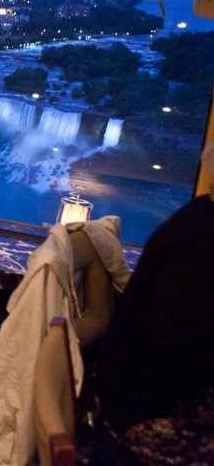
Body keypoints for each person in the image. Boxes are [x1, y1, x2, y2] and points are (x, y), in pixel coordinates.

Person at [93, 143, 214, 463]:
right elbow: (176, 348)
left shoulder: (199, 214)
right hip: (144, 411)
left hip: (135, 391)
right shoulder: (200, 240)